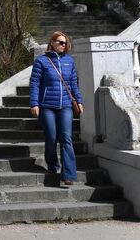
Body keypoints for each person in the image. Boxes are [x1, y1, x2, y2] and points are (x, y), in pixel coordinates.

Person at [29, 31, 84, 186]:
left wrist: (78, 100)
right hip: (47, 106)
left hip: (66, 105)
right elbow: (34, 84)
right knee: (51, 137)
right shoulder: (42, 61)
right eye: (60, 42)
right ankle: (52, 166)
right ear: (52, 43)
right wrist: (34, 103)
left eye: (65, 43)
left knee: (66, 138)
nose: (63, 45)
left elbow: (73, 83)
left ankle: (69, 175)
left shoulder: (69, 61)